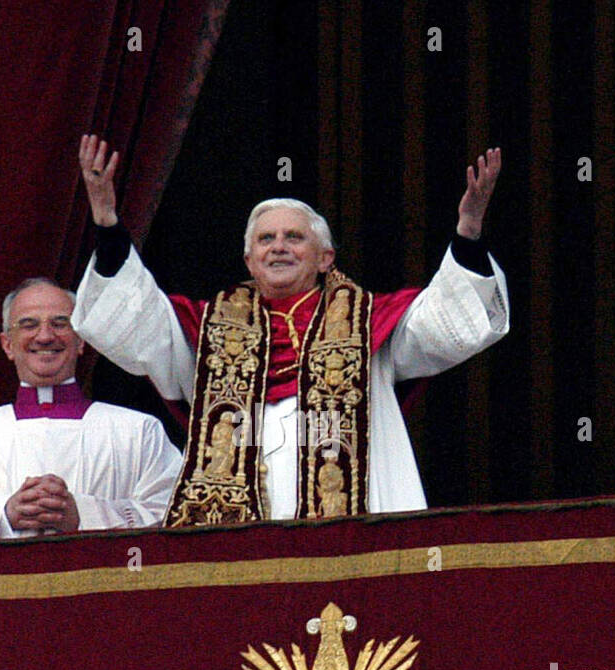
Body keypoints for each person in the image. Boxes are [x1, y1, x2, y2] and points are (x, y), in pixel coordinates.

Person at [73, 134, 512, 525]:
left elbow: (446, 324)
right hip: (236, 529)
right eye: (265, 240)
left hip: (354, 517)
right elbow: (137, 320)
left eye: (293, 238)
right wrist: (108, 223)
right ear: (249, 261)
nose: (278, 247)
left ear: (325, 258)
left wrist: (468, 231)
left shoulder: (369, 323)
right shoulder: (206, 330)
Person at [0, 277, 182, 540]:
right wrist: (4, 515)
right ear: (7, 344)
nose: (45, 336)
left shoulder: (138, 431)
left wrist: (82, 516)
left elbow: (173, 516)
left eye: (60, 323)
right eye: (28, 324)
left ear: (81, 340)